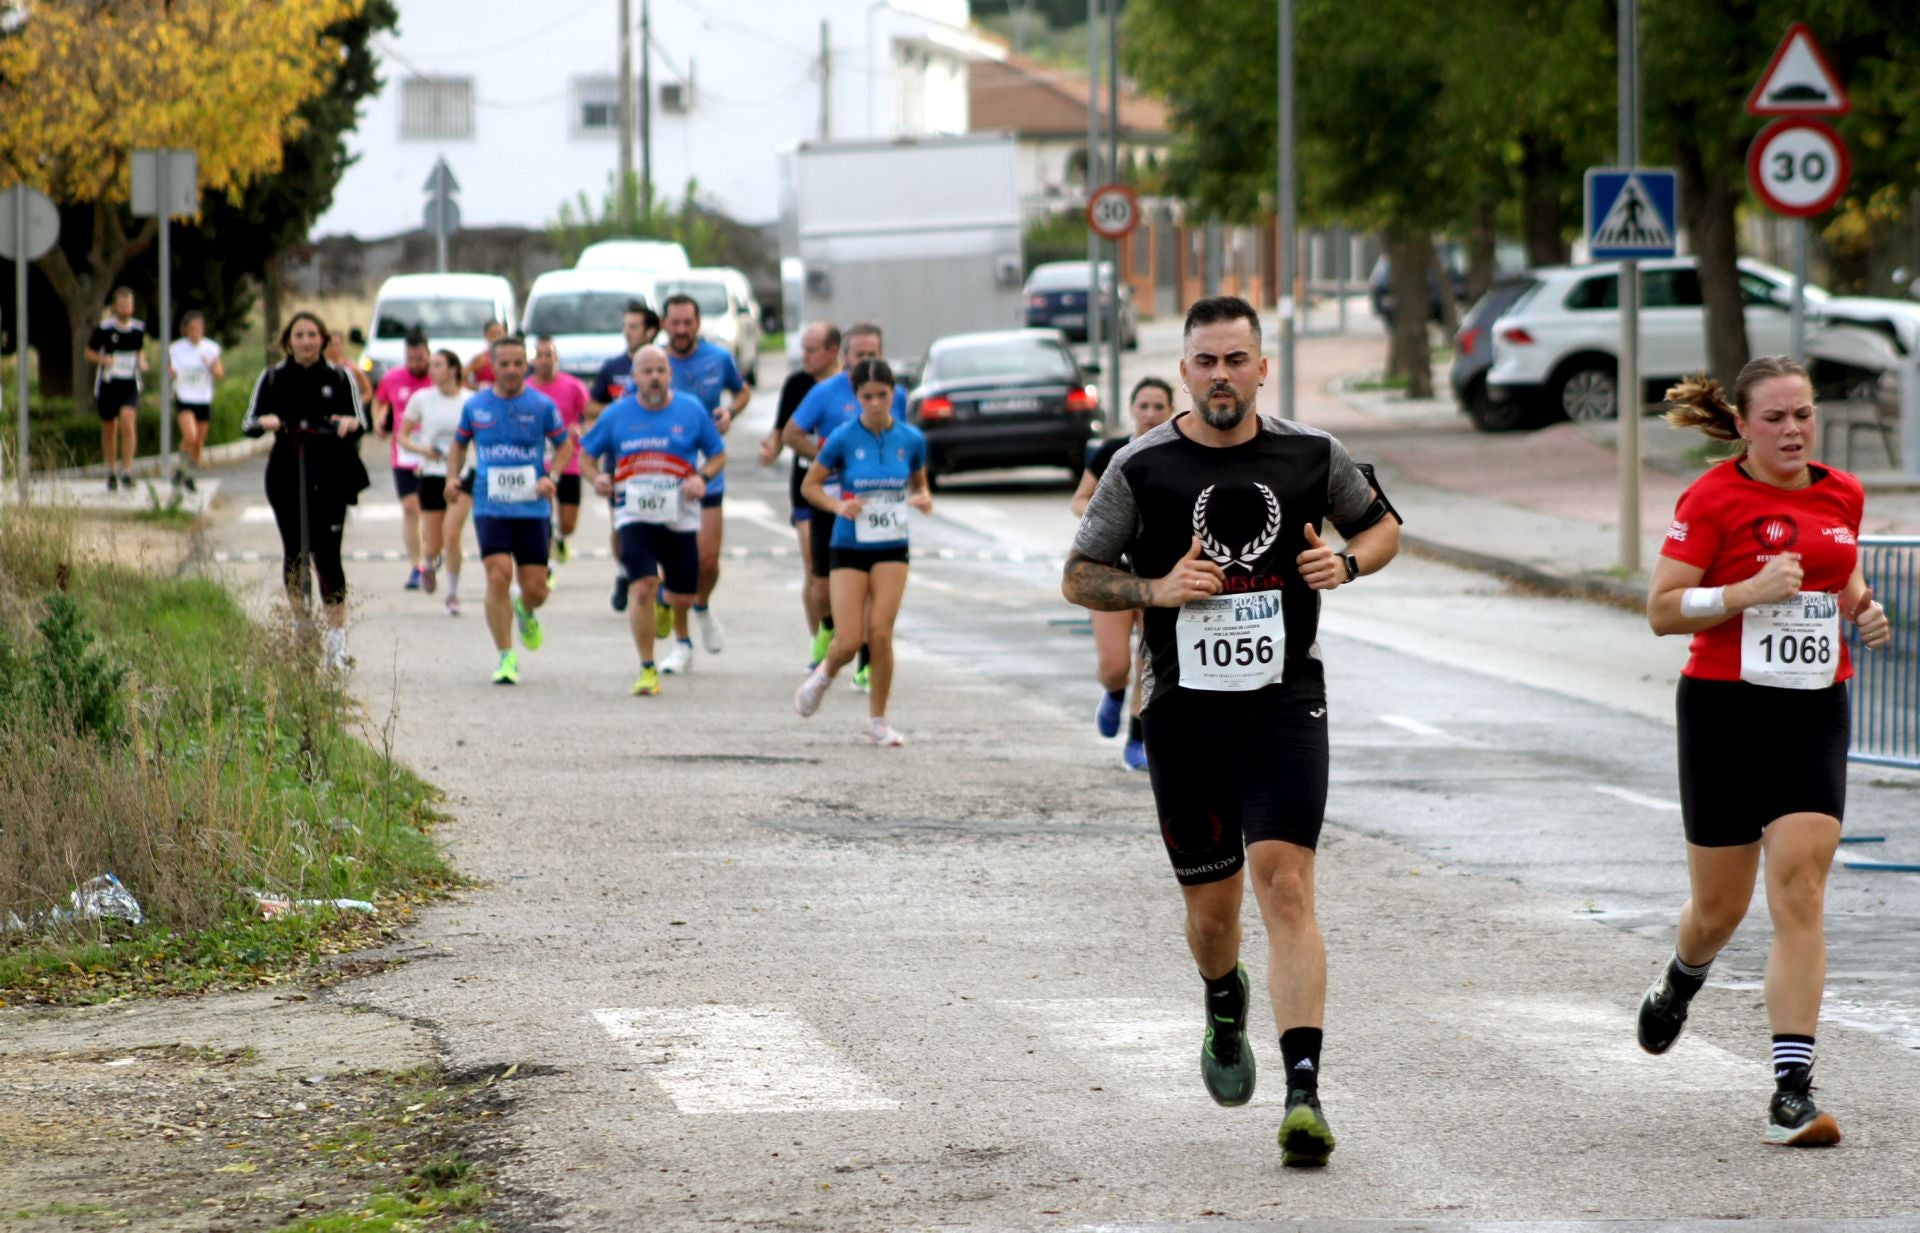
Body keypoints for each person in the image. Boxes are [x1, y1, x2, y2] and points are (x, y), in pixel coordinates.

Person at [1061, 296, 1402, 1166]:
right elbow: (1080, 577)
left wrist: (1349, 562)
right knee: (1213, 917)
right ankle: (1222, 997)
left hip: (1285, 700)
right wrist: (1154, 590)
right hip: (1183, 711)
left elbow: (1382, 524)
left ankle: (1303, 1093)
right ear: (1185, 370)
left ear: (1260, 367)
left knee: (1283, 880)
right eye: (1205, 360)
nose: (1222, 375)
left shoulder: (1309, 454)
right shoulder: (1143, 467)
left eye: (1236, 359)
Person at [1636, 357, 1890, 1148]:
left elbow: (1836, 573)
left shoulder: (1842, 490)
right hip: (1723, 710)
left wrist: (1864, 609)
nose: (1792, 430)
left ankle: (1790, 1088)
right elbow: (1662, 610)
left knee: (1802, 886)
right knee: (1720, 908)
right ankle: (1683, 975)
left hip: (1813, 707)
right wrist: (1744, 593)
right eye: (1775, 417)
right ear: (1741, 425)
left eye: (1803, 415)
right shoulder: (1713, 497)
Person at [793, 359, 932, 746]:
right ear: (856, 398)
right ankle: (824, 676)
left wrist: (922, 498)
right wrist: (839, 506)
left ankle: (879, 721)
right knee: (850, 638)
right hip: (849, 544)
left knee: (880, 633)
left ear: (893, 395)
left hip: (891, 546)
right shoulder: (842, 437)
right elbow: (810, 486)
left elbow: (919, 483)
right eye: (867, 396)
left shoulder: (910, 439)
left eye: (882, 396)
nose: (875, 403)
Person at [578, 345, 726, 695]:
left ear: (669, 374)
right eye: (647, 371)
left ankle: (668, 605)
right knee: (641, 586)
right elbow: (586, 455)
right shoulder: (617, 414)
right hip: (634, 513)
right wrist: (596, 478)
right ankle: (647, 668)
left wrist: (701, 478)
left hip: (679, 516)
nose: (655, 377)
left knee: (681, 595)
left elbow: (718, 454)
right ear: (634, 377)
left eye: (661, 370)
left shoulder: (691, 410)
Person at [241, 310, 372, 671]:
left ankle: (337, 641)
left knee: (328, 553)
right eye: (299, 335)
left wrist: (350, 423)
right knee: (295, 550)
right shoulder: (272, 378)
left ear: (323, 340)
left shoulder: (340, 377)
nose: (306, 341)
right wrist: (265, 423)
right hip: (287, 470)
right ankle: (301, 627)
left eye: (313, 335)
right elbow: (248, 422)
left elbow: (362, 422)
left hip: (331, 471)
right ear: (288, 341)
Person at [443, 336, 574, 685]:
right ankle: (506, 657)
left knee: (535, 589)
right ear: (493, 366)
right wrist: (452, 478)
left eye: (519, 363)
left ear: (526, 364)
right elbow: (458, 445)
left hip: (532, 508)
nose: (513, 370)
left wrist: (552, 476)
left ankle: (525, 609)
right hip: (490, 505)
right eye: (505, 364)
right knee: (497, 574)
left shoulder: (542, 405)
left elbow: (565, 445)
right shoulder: (476, 407)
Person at [782, 322, 902, 683]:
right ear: (844, 356)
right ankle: (829, 627)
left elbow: (906, 443)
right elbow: (791, 433)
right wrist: (828, 458)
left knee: (870, 589)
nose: (865, 361)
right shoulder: (824, 392)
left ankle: (866, 662)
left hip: (876, 506)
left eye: (872, 354)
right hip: (831, 499)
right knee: (821, 585)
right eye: (859, 355)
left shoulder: (897, 395)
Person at [1071, 376, 1176, 771]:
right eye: (1143, 406)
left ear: (1170, 411)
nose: (1150, 415)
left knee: (1149, 660)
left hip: (1158, 580)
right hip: (1112, 572)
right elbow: (1080, 500)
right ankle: (1113, 693)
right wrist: (1109, 520)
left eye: (1158, 407)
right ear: (1132, 409)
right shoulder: (1112, 453)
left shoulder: (1178, 455)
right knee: (1117, 665)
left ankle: (1137, 739)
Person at [662, 292, 750, 654]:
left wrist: (730, 412)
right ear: (665, 325)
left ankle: (701, 605)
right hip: (665, 470)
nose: (682, 330)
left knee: (708, 562)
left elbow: (742, 391)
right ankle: (681, 641)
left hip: (707, 465)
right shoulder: (654, 362)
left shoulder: (718, 358)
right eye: (675, 323)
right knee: (677, 562)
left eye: (688, 323)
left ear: (698, 324)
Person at [761, 322, 842, 647]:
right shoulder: (797, 383)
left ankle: (847, 634)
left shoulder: (850, 387)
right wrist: (771, 448)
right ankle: (820, 638)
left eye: (812, 350)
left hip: (846, 487)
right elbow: (780, 431)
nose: (804, 357)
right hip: (807, 485)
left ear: (833, 351)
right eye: (803, 350)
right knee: (814, 567)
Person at [589, 300, 661, 611]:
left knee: (662, 525)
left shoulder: (663, 368)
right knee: (622, 525)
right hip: (621, 463)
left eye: (633, 327)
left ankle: (655, 580)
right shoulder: (613, 368)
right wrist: (621, 414)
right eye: (625, 327)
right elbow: (591, 406)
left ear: (650, 331)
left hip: (660, 462)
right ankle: (623, 573)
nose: (627, 333)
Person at [398, 348, 473, 615]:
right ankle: (428, 563)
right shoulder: (421, 399)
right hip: (431, 472)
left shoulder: (470, 401)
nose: (432, 370)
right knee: (434, 542)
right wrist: (422, 450)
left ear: (453, 369)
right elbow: (403, 436)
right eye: (431, 366)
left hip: (464, 475)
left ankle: (452, 594)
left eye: (438, 365)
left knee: (452, 533)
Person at [373, 331, 436, 590]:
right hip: (404, 455)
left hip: (435, 456)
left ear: (428, 355)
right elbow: (379, 401)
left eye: (420, 358)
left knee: (433, 513)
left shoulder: (439, 377)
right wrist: (379, 419)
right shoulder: (393, 378)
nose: (415, 363)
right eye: (411, 358)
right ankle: (416, 565)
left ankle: (433, 551)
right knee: (411, 508)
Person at [528, 335, 591, 565]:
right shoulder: (526, 388)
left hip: (569, 460)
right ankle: (547, 567)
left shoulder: (574, 386)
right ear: (532, 360)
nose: (544, 360)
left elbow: (590, 418)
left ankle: (561, 536)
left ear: (557, 359)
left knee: (568, 522)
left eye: (549, 355)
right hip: (537, 462)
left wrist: (580, 429)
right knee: (541, 518)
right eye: (539, 355)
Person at [85, 287, 146, 492]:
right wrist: (103, 359)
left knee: (128, 421)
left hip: (129, 383)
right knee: (110, 427)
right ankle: (111, 469)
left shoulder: (138, 329)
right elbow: (89, 353)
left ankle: (127, 470)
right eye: (122, 304)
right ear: (115, 307)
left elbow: (140, 352)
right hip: (109, 384)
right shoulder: (105, 329)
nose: (126, 308)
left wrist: (143, 362)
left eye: (129, 304)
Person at [166, 309, 224, 492]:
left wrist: (211, 364)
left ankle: (188, 474)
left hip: (203, 398)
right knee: (189, 435)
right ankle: (180, 468)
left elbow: (219, 374)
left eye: (198, 328)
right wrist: (172, 373)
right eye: (191, 329)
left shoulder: (210, 348)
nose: (195, 332)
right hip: (184, 396)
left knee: (198, 441)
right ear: (185, 330)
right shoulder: (176, 348)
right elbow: (170, 369)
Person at [326, 331, 376, 407]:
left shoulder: (351, 368)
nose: (333, 349)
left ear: (342, 346)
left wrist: (355, 403)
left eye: (336, 345)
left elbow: (368, 392)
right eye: (330, 345)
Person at [465, 320, 508, 390]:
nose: (497, 337)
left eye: (500, 333)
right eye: (493, 334)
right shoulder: (481, 358)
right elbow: (461, 378)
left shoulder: (512, 358)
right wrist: (476, 387)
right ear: (486, 336)